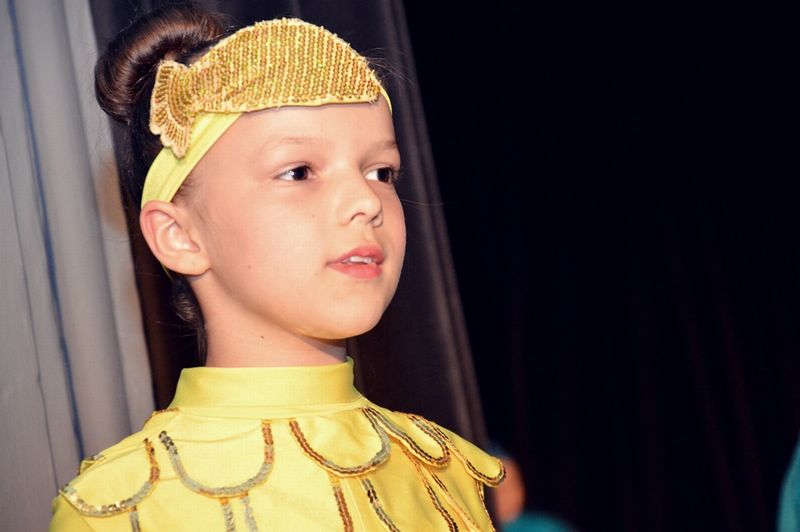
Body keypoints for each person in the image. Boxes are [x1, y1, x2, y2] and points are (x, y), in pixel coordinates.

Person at [48, 4, 505, 531]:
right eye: (299, 172)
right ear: (180, 236)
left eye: (382, 172)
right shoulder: (121, 508)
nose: (366, 201)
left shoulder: (445, 468)